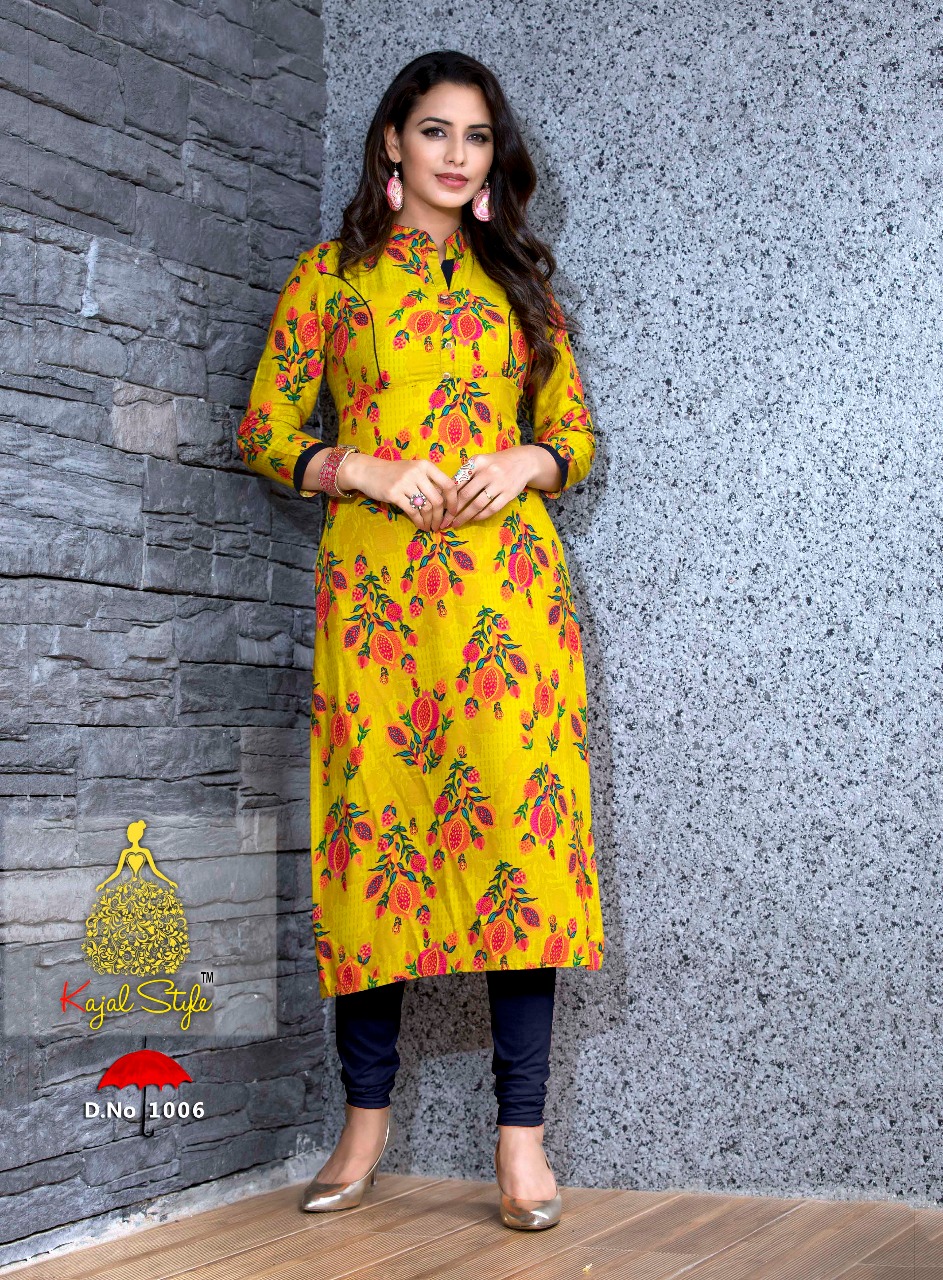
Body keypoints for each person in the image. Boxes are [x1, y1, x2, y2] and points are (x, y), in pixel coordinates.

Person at [236, 49, 605, 1231]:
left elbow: (575, 434)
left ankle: (521, 1141)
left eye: (476, 135)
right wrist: (364, 467)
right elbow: (263, 427)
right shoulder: (331, 278)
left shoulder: (520, 284)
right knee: (373, 841)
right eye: (435, 130)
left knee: (518, 852)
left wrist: (525, 459)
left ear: (495, 157)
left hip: (508, 602)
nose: (455, 153)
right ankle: (363, 1124)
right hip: (378, 602)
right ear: (392, 140)